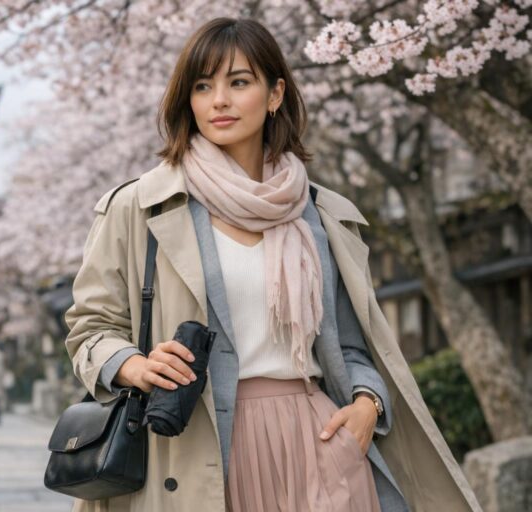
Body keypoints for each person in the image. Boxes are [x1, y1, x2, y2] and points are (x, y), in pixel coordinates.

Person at [63, 17, 481, 512]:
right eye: (203, 86)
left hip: (316, 443)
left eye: (238, 82)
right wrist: (133, 364)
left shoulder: (321, 214)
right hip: (194, 447)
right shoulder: (142, 207)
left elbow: (349, 347)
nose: (219, 100)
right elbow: (90, 328)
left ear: (275, 93)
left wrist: (368, 406)